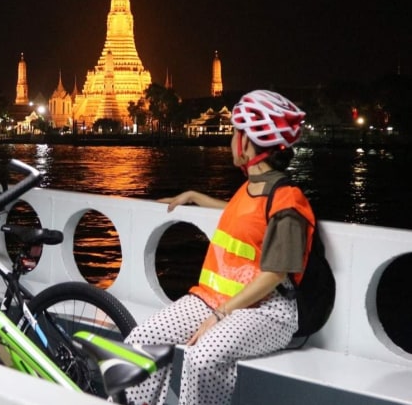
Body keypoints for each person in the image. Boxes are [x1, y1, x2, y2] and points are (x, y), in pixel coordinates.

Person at [124, 89, 315, 405]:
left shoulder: (289, 201)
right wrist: (196, 197)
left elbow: (275, 273)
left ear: (248, 143)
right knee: (142, 341)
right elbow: (243, 215)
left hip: (268, 310)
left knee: (203, 357)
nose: (230, 142)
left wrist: (222, 314)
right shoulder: (252, 188)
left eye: (234, 134)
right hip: (215, 298)